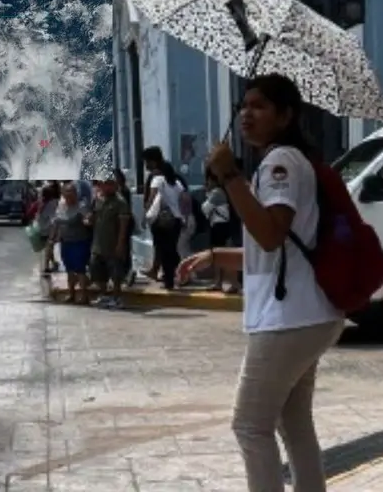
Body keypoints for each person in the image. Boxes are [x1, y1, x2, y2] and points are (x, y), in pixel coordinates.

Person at [175, 73, 343, 492]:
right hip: (308, 313)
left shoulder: (280, 163)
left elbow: (270, 234)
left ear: (285, 116)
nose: (247, 114)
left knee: (249, 425)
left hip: (290, 319)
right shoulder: (286, 162)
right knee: (294, 421)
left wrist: (230, 176)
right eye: (243, 106)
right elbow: (274, 251)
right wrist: (216, 257)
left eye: (259, 106)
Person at [88, 177, 132, 308]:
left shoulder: (120, 202)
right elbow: (94, 218)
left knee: (115, 272)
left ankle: (117, 297)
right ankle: (104, 295)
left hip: (113, 243)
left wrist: (120, 244)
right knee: (97, 269)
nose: (107, 187)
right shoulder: (98, 200)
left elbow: (124, 225)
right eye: (104, 184)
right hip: (98, 243)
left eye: (110, 185)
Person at [146, 160, 189, 290]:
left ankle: (170, 281)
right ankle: (183, 273)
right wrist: (183, 217)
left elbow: (152, 197)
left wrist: (146, 212)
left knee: (163, 251)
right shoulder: (177, 183)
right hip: (176, 220)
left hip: (161, 220)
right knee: (171, 249)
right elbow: (184, 199)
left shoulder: (158, 180)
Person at [54, 182, 92, 303]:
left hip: (79, 242)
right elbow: (57, 222)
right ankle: (71, 294)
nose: (69, 196)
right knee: (69, 269)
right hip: (66, 242)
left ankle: (84, 295)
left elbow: (88, 219)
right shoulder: (61, 206)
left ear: (76, 194)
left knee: (80, 270)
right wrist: (52, 238)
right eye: (66, 193)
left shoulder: (81, 206)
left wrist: (87, 220)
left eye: (72, 193)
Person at [203, 172, 240, 293]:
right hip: (222, 226)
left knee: (218, 255)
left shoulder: (216, 193)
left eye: (208, 181)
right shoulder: (221, 192)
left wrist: (207, 194)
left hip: (219, 226)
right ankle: (220, 282)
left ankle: (221, 282)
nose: (206, 184)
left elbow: (205, 208)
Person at [35, 182, 61, 275]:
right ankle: (46, 265)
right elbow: (53, 218)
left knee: (48, 247)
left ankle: (52, 263)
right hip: (50, 228)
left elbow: (38, 216)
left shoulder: (42, 203)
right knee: (49, 247)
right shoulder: (54, 203)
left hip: (43, 227)